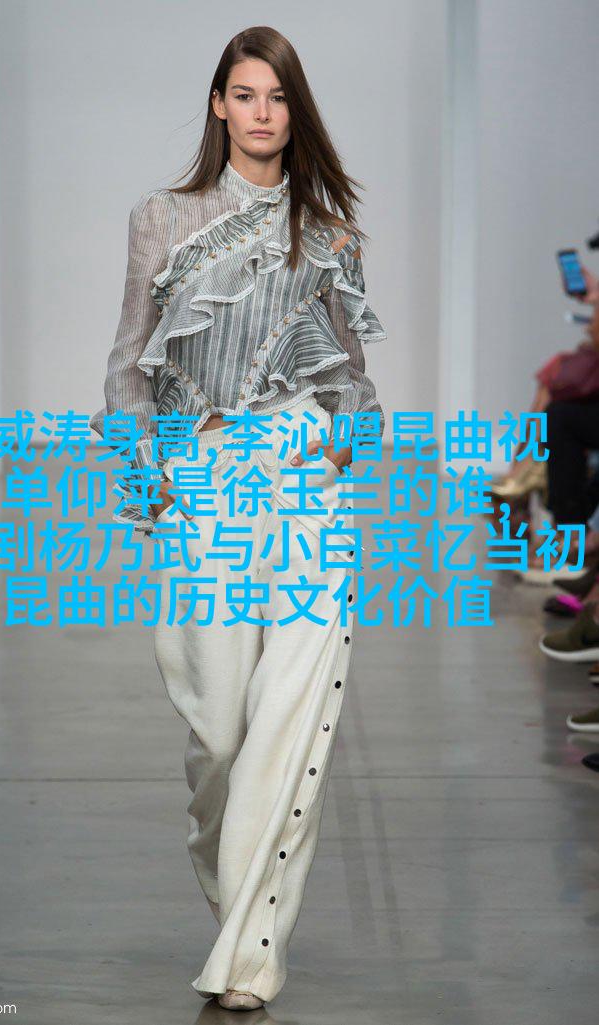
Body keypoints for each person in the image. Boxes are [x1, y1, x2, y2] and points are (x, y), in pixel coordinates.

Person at [89, 26, 386, 1010]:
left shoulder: (328, 230)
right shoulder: (162, 217)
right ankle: (236, 899)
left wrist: (338, 441)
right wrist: (148, 472)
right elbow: (128, 361)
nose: (262, 112)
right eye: (245, 94)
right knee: (219, 733)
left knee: (289, 720)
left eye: (279, 96)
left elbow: (351, 377)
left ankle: (251, 954)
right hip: (203, 480)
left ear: (295, 112)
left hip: (300, 480)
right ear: (218, 103)